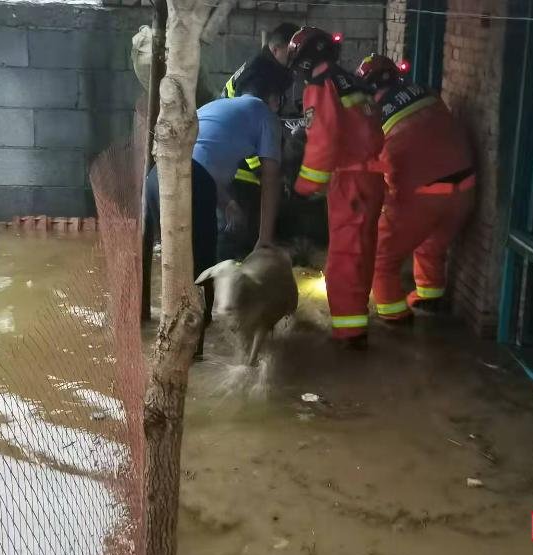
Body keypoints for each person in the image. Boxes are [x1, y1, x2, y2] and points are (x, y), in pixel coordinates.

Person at [145, 56, 291, 352]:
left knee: (167, 261)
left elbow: (204, 155)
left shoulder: (217, 105)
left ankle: (150, 330)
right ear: (274, 98)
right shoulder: (266, 116)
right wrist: (264, 238)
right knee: (201, 273)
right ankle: (194, 358)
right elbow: (271, 180)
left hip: (156, 176)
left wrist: (227, 204)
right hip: (192, 182)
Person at [355, 53, 475, 323]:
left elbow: (372, 168)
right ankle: (429, 295)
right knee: (432, 242)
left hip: (421, 198)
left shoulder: (373, 113)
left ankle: (394, 316)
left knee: (380, 258)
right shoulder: (428, 93)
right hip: (465, 192)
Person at [288, 27, 385, 350]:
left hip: (351, 182)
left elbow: (323, 140)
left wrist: (303, 187)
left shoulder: (321, 85)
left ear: (304, 59)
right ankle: (355, 325)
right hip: (372, 178)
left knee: (344, 258)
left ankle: (348, 335)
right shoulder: (353, 81)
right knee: (362, 253)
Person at [217, 22, 300, 261]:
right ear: (276, 49)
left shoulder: (266, 69)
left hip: (235, 160)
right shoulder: (261, 75)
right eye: (291, 51)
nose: (296, 57)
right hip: (238, 167)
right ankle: (225, 285)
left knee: (244, 231)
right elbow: (250, 122)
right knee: (237, 233)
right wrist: (262, 169)